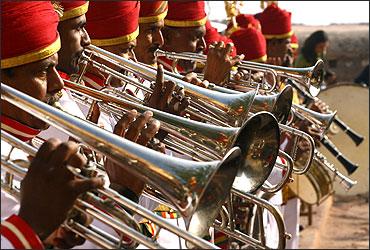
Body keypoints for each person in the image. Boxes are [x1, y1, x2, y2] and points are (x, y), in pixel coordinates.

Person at [1, 2, 104, 248]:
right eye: (42, 71)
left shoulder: (30, 142)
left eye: (56, 68)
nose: (59, 85)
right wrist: (32, 226)